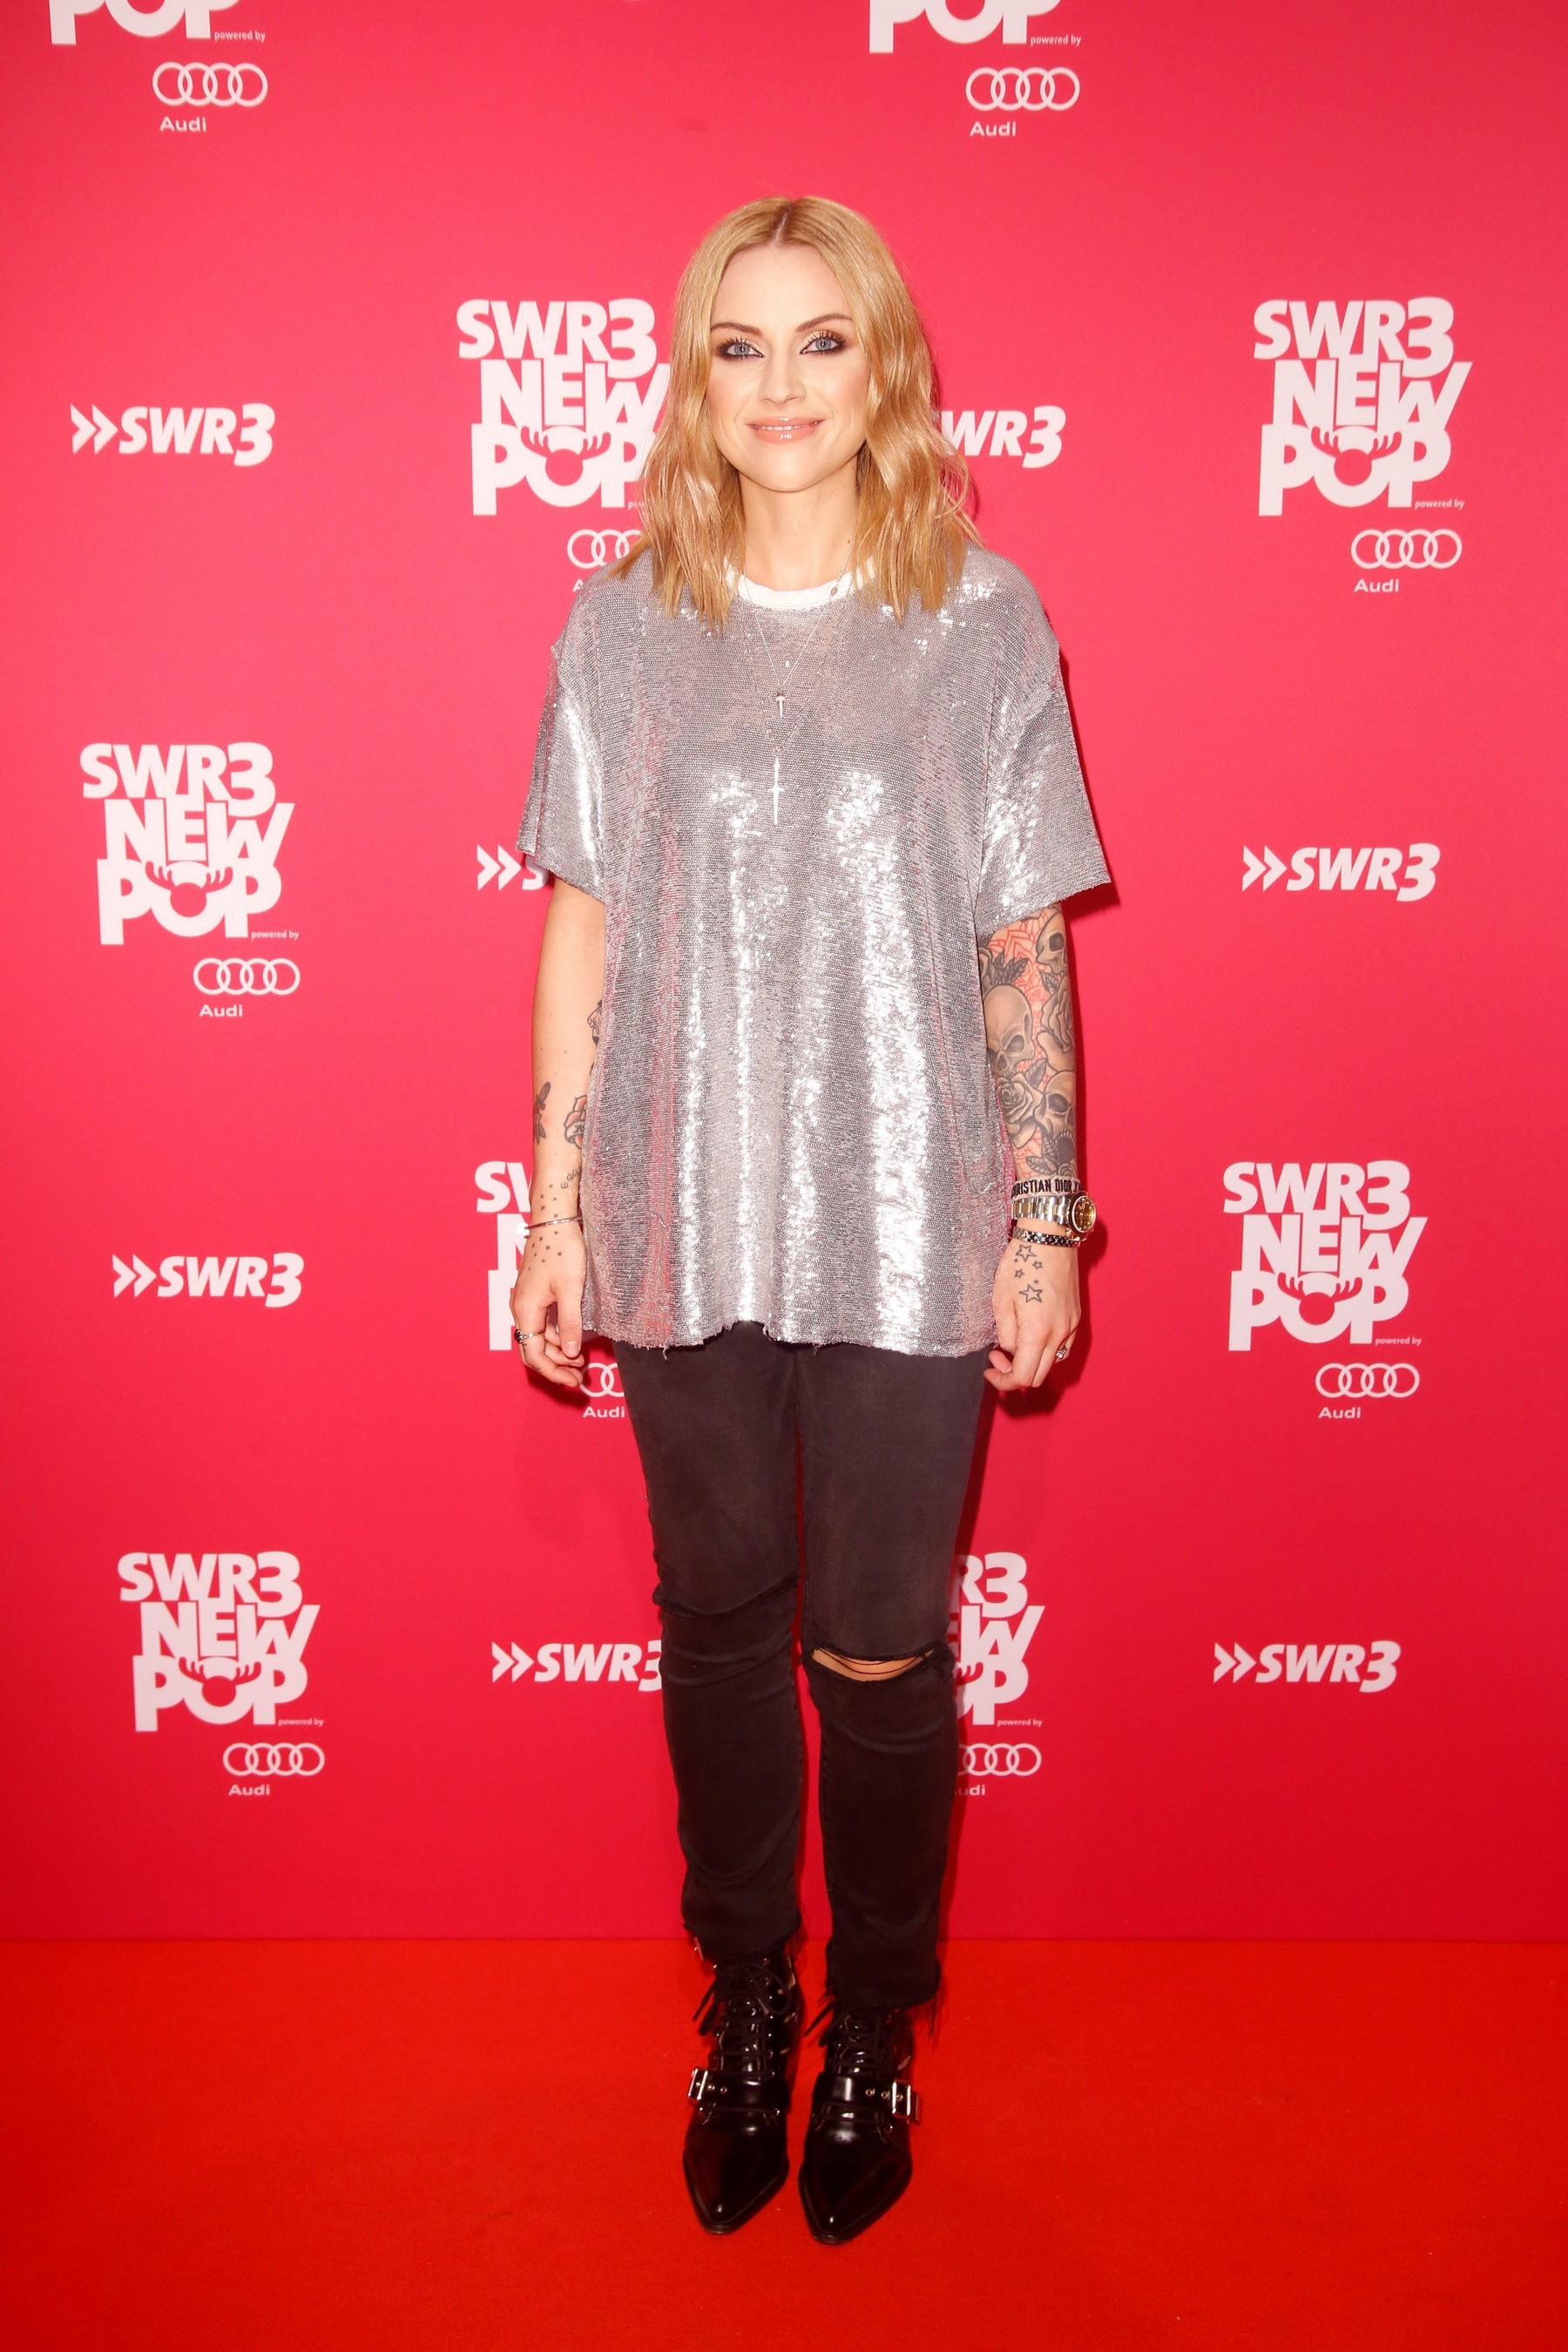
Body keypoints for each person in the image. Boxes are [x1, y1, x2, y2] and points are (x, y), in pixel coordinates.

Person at [510, 196, 1107, 2245]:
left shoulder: (982, 622)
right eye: (740, 345)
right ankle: (749, 1998)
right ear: (697, 381)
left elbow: (1022, 942)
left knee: (876, 1644)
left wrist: (1045, 1215)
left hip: (912, 1217)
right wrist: (555, 1206)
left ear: (887, 370)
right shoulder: (622, 627)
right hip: (678, 1206)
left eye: (822, 340)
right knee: (716, 1622)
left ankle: (874, 2020)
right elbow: (584, 925)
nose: (781, 386)